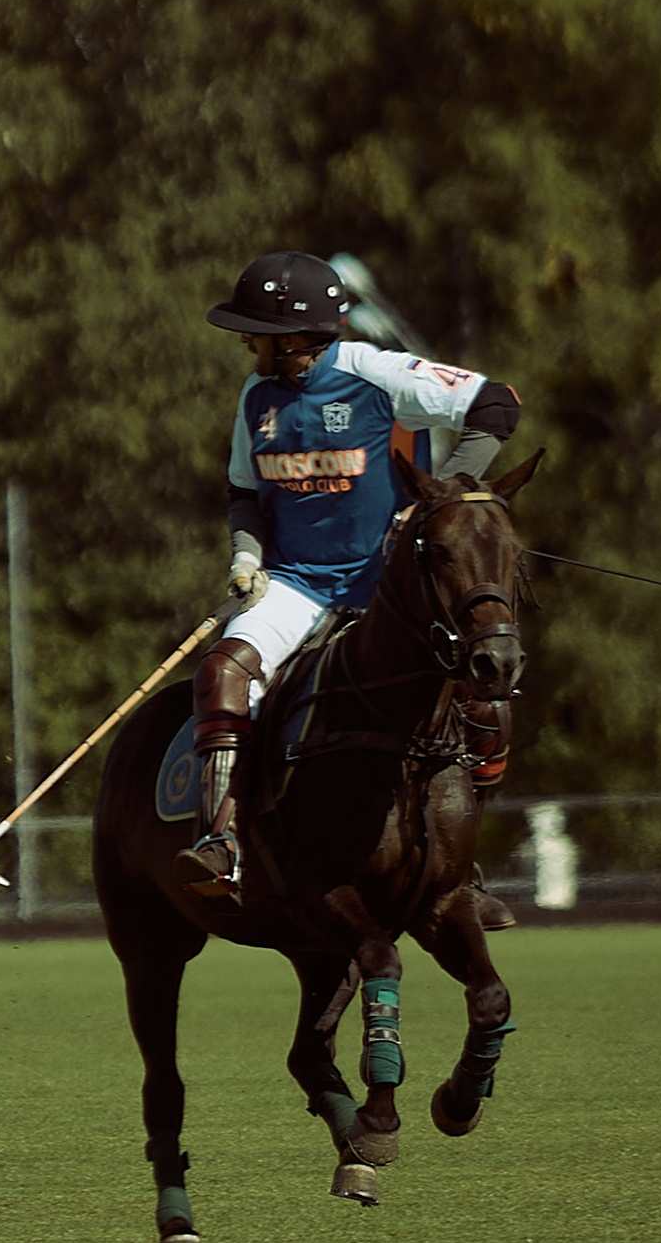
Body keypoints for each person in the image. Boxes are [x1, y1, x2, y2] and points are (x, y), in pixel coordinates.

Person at [177, 251, 523, 897]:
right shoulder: (257, 397)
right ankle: (220, 842)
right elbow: (243, 491)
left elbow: (498, 404)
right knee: (223, 674)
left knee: (485, 701)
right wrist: (246, 555)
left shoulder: (377, 373)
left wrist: (448, 494)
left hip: (390, 588)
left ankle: (461, 870)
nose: (247, 340)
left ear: (295, 334)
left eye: (256, 329)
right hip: (298, 583)